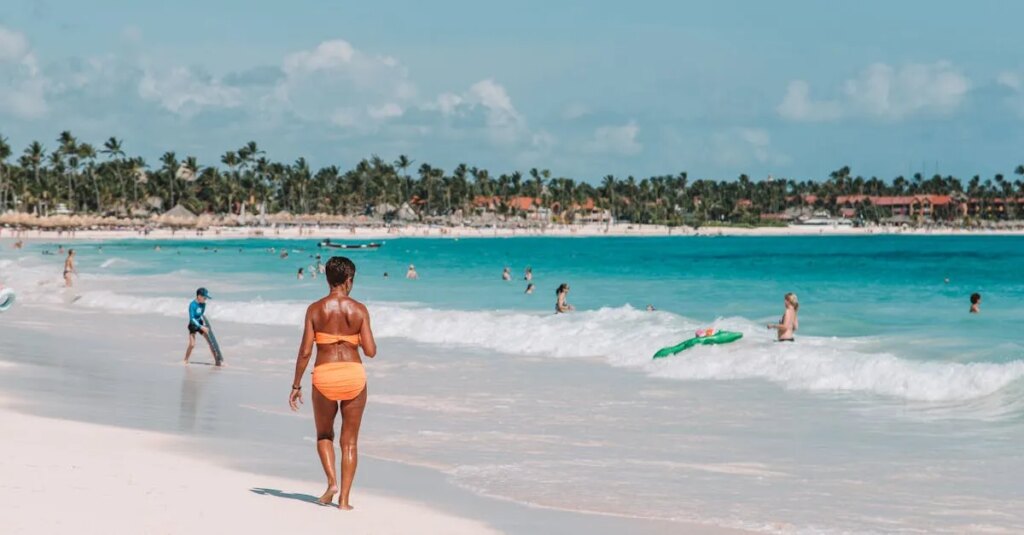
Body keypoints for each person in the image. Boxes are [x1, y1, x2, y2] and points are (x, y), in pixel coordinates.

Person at [289, 257, 377, 510]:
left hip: (324, 375)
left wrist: (296, 385)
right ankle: (345, 501)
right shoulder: (359, 310)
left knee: (324, 434)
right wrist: (354, 339)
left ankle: (331, 483)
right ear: (349, 280)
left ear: (327, 279)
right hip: (353, 375)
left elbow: (305, 351)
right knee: (349, 442)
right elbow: (370, 351)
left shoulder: (315, 309)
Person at [184, 288, 218, 365]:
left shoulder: (203, 304)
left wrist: (204, 325)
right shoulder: (192, 305)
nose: (206, 300)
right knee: (192, 344)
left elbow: (201, 315)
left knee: (210, 342)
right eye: (204, 298)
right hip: (193, 324)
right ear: (199, 296)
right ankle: (185, 360)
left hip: (200, 323)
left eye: (206, 298)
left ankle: (217, 361)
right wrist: (201, 327)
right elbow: (192, 318)